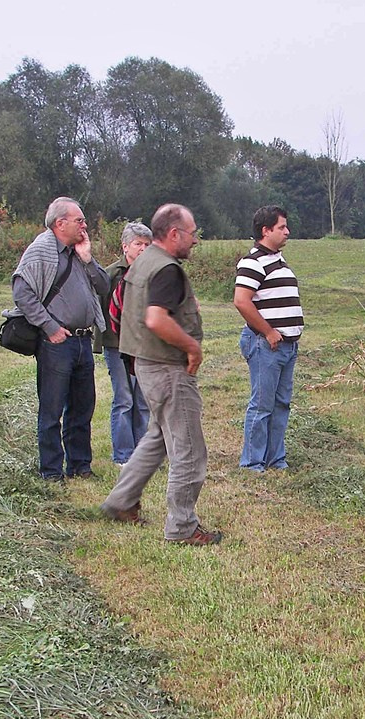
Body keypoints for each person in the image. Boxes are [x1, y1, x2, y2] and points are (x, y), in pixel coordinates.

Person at [98, 204, 223, 546]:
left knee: (156, 438)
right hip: (168, 368)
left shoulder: (142, 263)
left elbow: (128, 315)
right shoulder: (167, 269)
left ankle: (121, 501)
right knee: (189, 450)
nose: (195, 240)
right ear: (174, 234)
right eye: (192, 233)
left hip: (146, 364)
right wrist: (192, 348)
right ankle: (182, 527)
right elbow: (155, 319)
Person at [11, 197, 109, 480]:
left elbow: (103, 286)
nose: (84, 225)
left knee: (83, 407)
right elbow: (22, 293)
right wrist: (49, 327)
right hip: (56, 342)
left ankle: (80, 466)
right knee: (52, 409)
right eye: (79, 220)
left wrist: (89, 259)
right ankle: (51, 471)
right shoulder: (40, 250)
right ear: (59, 223)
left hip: (82, 341)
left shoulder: (78, 252)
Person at [233, 205, 303, 472]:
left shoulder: (278, 260)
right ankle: (252, 462)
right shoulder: (253, 262)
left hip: (287, 346)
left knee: (281, 404)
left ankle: (276, 458)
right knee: (262, 405)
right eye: (281, 227)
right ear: (266, 231)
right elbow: (241, 301)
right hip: (267, 345)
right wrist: (269, 331)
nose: (287, 232)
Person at [99, 222, 152, 467]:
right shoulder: (110, 274)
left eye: (146, 244)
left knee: (142, 401)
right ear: (125, 246)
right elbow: (100, 309)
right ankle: (123, 456)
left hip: (146, 348)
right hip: (117, 346)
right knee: (124, 399)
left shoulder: (154, 274)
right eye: (137, 244)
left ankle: (141, 454)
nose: (142, 249)